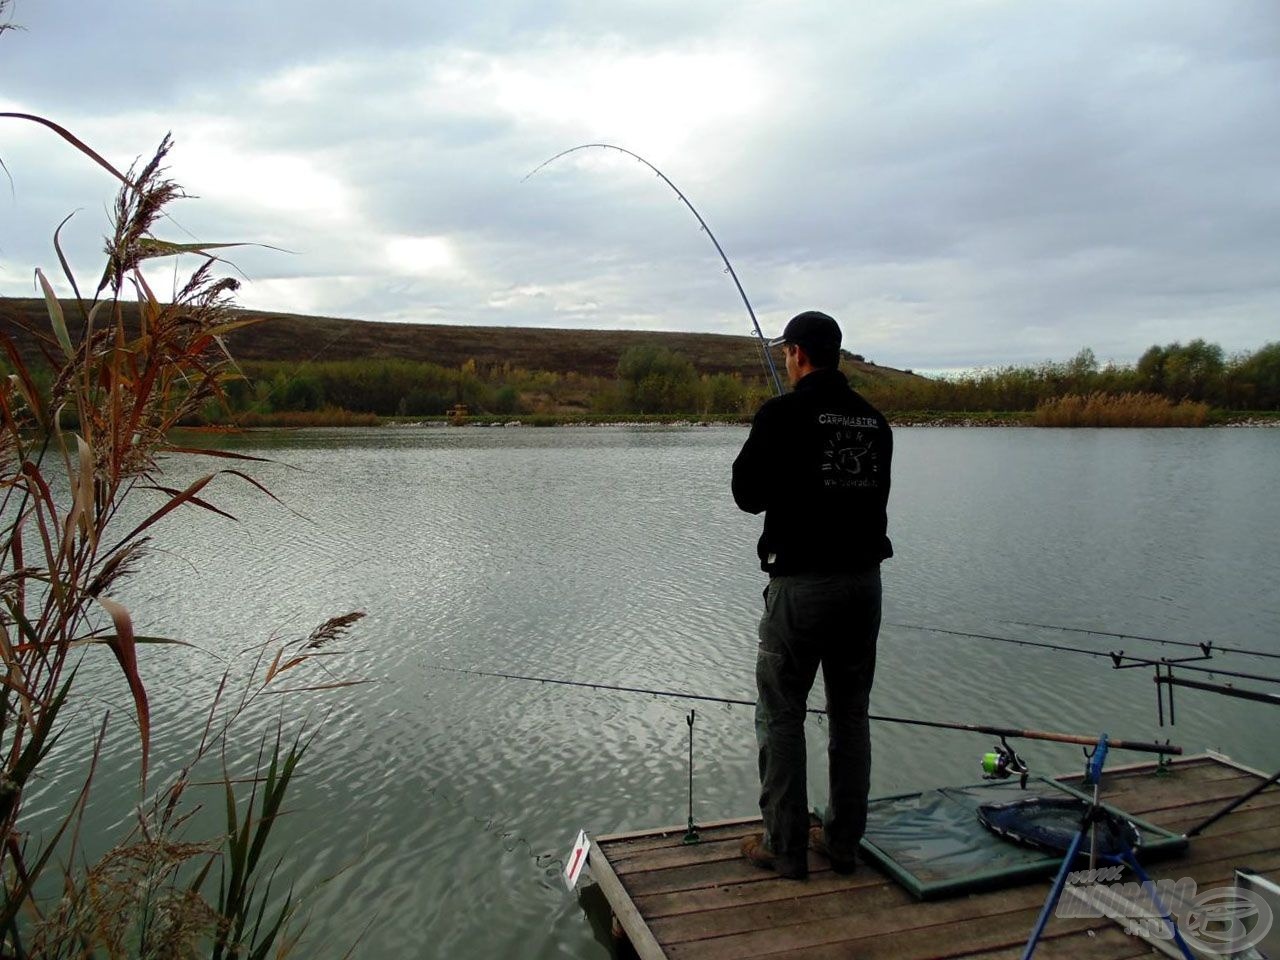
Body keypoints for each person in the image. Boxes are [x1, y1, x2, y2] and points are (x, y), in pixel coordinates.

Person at [731, 310, 892, 880]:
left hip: (801, 589)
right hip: (864, 587)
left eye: (785, 352)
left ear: (797, 354)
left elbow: (747, 495)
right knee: (850, 716)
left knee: (781, 715)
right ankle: (843, 843)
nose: (784, 359)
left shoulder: (781, 413)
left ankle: (786, 846)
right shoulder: (875, 423)